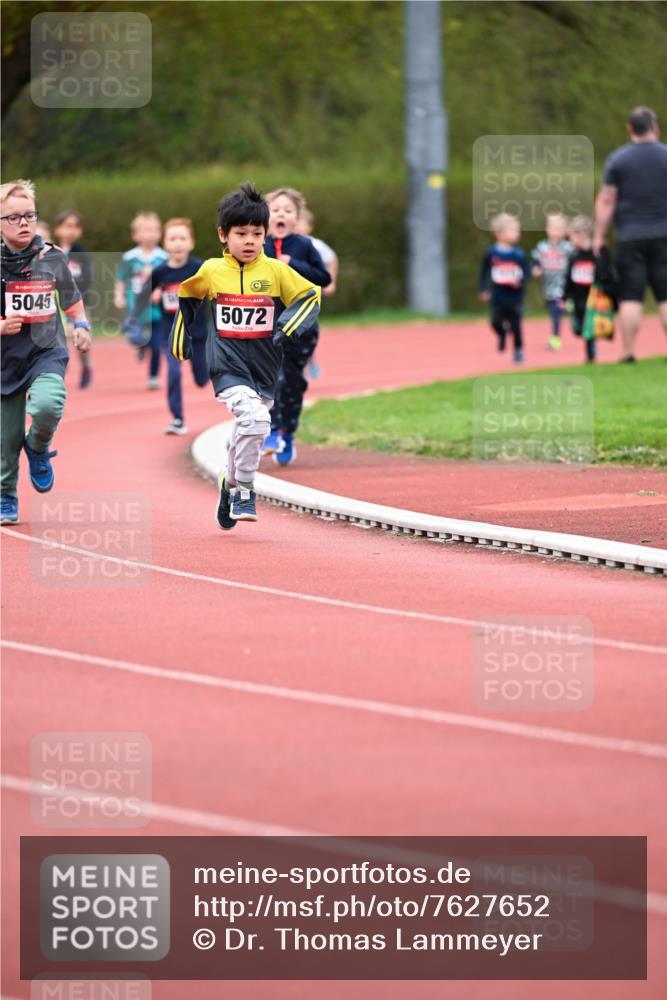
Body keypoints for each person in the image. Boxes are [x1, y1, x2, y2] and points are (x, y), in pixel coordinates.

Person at [169, 183, 320, 528]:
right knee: (256, 421)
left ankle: (230, 480)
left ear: (265, 235)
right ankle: (246, 490)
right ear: (223, 235)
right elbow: (188, 295)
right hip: (226, 365)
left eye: (257, 233)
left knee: (248, 425)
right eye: (241, 233)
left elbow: (310, 296)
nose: (250, 240)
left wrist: (287, 325)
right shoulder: (211, 271)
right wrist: (182, 332)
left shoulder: (276, 272)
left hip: (266, 367)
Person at [1, 179, 91, 525]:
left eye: (29, 216)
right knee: (6, 442)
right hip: (4, 358)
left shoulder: (51, 257)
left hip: (45, 350)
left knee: (48, 404)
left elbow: (71, 298)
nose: (23, 223)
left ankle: (38, 447)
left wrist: (81, 326)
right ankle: (6, 494)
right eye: (13, 218)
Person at [261, 187, 331, 465]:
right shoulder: (259, 246)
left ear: (297, 217)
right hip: (267, 324)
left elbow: (323, 278)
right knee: (269, 378)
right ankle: (271, 432)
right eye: (275, 210)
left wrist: (294, 264)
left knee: (293, 382)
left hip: (302, 326)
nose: (281, 214)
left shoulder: (304, 245)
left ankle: (287, 432)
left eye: (287, 211)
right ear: (266, 216)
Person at [594, 106, 667, 362]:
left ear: (629, 129)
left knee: (630, 296)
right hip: (664, 234)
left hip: (629, 236)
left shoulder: (618, 160)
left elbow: (606, 201)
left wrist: (598, 236)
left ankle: (628, 351)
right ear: (655, 127)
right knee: (665, 295)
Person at [127, 217, 209, 434]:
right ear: (165, 244)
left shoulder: (200, 268)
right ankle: (177, 418)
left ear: (191, 243)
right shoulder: (160, 272)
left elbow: (216, 293)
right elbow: (143, 296)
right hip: (170, 331)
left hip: (197, 332)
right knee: (173, 372)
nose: (178, 243)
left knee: (202, 378)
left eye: (183, 238)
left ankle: (202, 375)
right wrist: (132, 319)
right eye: (173, 238)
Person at [114, 211, 168, 387]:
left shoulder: (163, 258)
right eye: (145, 230)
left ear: (159, 234)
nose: (149, 234)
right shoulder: (130, 258)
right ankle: (140, 346)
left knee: (156, 345)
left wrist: (160, 291)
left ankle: (153, 376)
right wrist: (119, 296)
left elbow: (168, 280)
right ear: (136, 235)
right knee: (135, 338)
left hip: (155, 309)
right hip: (135, 308)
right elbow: (121, 278)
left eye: (153, 230)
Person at [479, 213, 530, 364]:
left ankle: (518, 351)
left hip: (515, 298)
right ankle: (502, 334)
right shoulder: (491, 253)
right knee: (495, 322)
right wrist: (483, 289)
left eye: (517, 230)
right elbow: (484, 272)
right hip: (498, 297)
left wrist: (519, 281)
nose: (517, 234)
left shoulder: (518, 254)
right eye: (513, 230)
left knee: (516, 326)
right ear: (499, 233)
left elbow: (526, 273)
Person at [296, 206, 338, 378]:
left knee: (305, 329)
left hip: (309, 295)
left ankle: (308, 357)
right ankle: (297, 361)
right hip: (287, 295)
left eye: (301, 222)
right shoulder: (281, 243)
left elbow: (332, 259)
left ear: (310, 227)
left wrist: (331, 282)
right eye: (295, 222)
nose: (297, 226)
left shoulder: (315, 245)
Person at [53, 210, 94, 389]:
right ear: (58, 229)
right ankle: (58, 365)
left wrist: (76, 298)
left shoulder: (81, 253)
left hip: (79, 302)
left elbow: (87, 278)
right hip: (55, 304)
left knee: (80, 338)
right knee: (59, 336)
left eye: (76, 227)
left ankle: (85, 367)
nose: (72, 231)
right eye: (68, 226)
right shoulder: (51, 251)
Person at [531, 212, 571, 350]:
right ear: (547, 229)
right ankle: (568, 311)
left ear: (565, 231)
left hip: (563, 287)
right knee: (553, 310)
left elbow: (576, 262)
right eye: (552, 227)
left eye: (559, 228)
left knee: (555, 311)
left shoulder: (568, 248)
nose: (555, 231)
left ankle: (555, 338)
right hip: (548, 287)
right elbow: (535, 262)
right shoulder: (542, 247)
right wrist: (536, 269)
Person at [562, 216, 597, 363]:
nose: (570, 241)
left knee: (588, 327)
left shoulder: (597, 255)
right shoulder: (573, 256)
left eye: (572, 237)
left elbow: (607, 275)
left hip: (593, 298)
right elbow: (568, 278)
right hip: (577, 298)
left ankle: (591, 354)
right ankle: (588, 343)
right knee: (577, 328)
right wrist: (565, 296)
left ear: (582, 234)